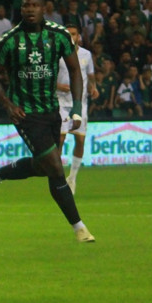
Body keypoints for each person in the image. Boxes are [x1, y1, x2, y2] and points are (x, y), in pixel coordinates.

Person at [0, 0, 95, 243]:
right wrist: (8, 104)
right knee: (55, 167)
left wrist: (76, 106)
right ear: (21, 10)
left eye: (35, 6)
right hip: (25, 113)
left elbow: (75, 70)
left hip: (51, 110)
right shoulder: (9, 41)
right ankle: (79, 227)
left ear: (44, 9)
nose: (30, 10)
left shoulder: (59, 35)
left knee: (45, 168)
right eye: (25, 6)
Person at [57, 25, 96, 195]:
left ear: (78, 36)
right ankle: (57, 179)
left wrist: (93, 87)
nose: (71, 37)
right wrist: (59, 86)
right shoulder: (57, 54)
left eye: (73, 34)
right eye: (68, 34)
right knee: (60, 139)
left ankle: (72, 178)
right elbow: (48, 77)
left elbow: (90, 75)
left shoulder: (86, 55)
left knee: (80, 141)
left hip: (80, 103)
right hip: (60, 102)